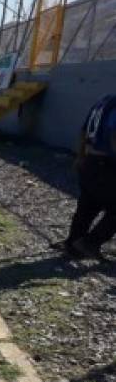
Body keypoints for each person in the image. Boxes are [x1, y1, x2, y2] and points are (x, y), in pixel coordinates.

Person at [63, 94, 116, 261]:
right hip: (107, 163)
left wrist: (80, 157)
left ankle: (73, 245)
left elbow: (83, 130)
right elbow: (114, 132)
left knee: (88, 206)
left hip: (90, 160)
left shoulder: (104, 102)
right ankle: (91, 243)